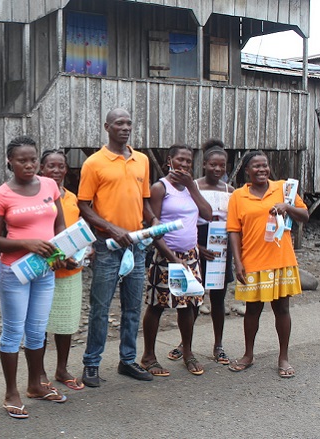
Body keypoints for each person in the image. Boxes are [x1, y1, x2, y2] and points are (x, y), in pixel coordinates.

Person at [0, 136, 68, 419]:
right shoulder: (1, 195)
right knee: (12, 332)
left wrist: (60, 255)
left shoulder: (49, 186)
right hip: (14, 271)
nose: (29, 164)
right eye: (22, 160)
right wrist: (27, 244)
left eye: (33, 159)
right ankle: (11, 391)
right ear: (10, 161)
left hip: (44, 270)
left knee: (37, 330)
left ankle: (35, 384)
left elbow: (59, 223)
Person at [79, 108, 156, 387]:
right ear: (107, 126)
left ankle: (127, 360)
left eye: (128, 123)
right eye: (119, 123)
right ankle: (91, 363)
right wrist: (111, 228)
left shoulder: (142, 160)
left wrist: (154, 221)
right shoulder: (94, 163)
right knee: (100, 307)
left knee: (133, 306)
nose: (125, 128)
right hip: (107, 245)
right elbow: (83, 206)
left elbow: (144, 200)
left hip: (136, 245)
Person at [226, 151, 309, 378]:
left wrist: (287, 207)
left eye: (265, 166)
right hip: (252, 260)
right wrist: (238, 262)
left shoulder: (284, 189)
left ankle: (283, 358)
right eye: (256, 167)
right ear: (247, 171)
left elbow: (305, 215)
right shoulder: (238, 196)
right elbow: (234, 231)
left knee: (282, 309)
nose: (261, 170)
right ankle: (248, 355)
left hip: (281, 260)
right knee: (252, 310)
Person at [140, 145, 212, 377]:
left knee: (189, 305)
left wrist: (193, 186)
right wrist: (172, 259)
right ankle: (148, 356)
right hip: (165, 256)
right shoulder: (160, 188)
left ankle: (188, 352)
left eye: (188, 162)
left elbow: (208, 215)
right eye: (180, 160)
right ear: (169, 161)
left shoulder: (192, 187)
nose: (184, 165)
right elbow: (154, 229)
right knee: (157, 304)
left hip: (190, 256)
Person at [166, 139, 235, 365]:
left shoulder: (230, 191)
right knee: (192, 298)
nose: (217, 169)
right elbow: (186, 220)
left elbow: (234, 225)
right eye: (213, 165)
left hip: (220, 247)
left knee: (218, 298)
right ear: (204, 164)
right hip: (196, 243)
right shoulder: (191, 185)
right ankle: (184, 344)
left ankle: (218, 345)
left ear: (226, 167)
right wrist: (198, 247)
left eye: (222, 166)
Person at [40, 149, 85, 391]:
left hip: (71, 270)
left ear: (66, 170)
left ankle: (62, 368)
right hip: (45, 269)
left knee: (66, 322)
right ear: (42, 169)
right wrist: (58, 257)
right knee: (41, 324)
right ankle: (40, 371)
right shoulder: (37, 197)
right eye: (51, 166)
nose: (56, 171)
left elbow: (78, 231)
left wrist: (86, 251)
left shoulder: (72, 198)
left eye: (60, 166)